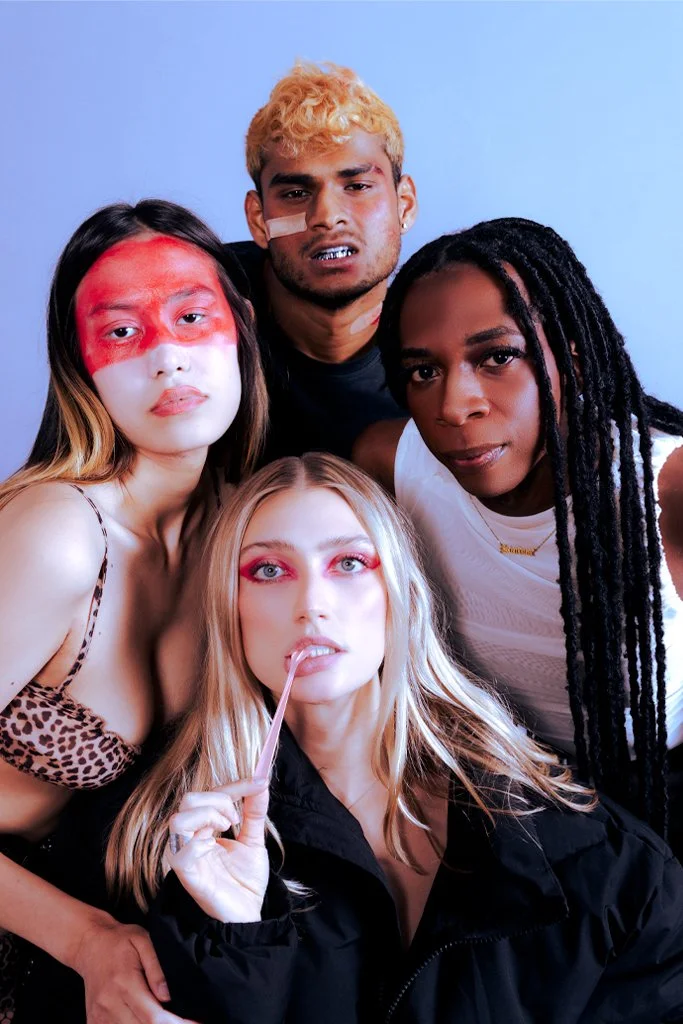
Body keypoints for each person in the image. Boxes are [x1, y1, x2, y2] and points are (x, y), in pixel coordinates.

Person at [108, 455, 683, 1024]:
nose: (311, 606)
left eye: (350, 563)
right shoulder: (179, 849)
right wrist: (237, 937)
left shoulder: (606, 864)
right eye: (267, 571)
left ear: (399, 592)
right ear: (226, 609)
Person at [0, 199, 268, 1023]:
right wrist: (85, 940)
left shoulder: (233, 533)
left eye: (191, 316)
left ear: (242, 328)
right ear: (79, 367)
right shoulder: (59, 535)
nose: (167, 360)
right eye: (122, 333)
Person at [354, 217, 683, 850]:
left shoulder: (661, 497)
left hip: (656, 807)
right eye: (423, 372)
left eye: (498, 357)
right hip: (495, 792)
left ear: (573, 364)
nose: (455, 405)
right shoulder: (387, 464)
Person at [226, 61, 418, 461]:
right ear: (259, 220)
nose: (327, 215)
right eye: (296, 193)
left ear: (405, 205)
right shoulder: (195, 304)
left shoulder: (442, 338)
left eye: (358, 186)